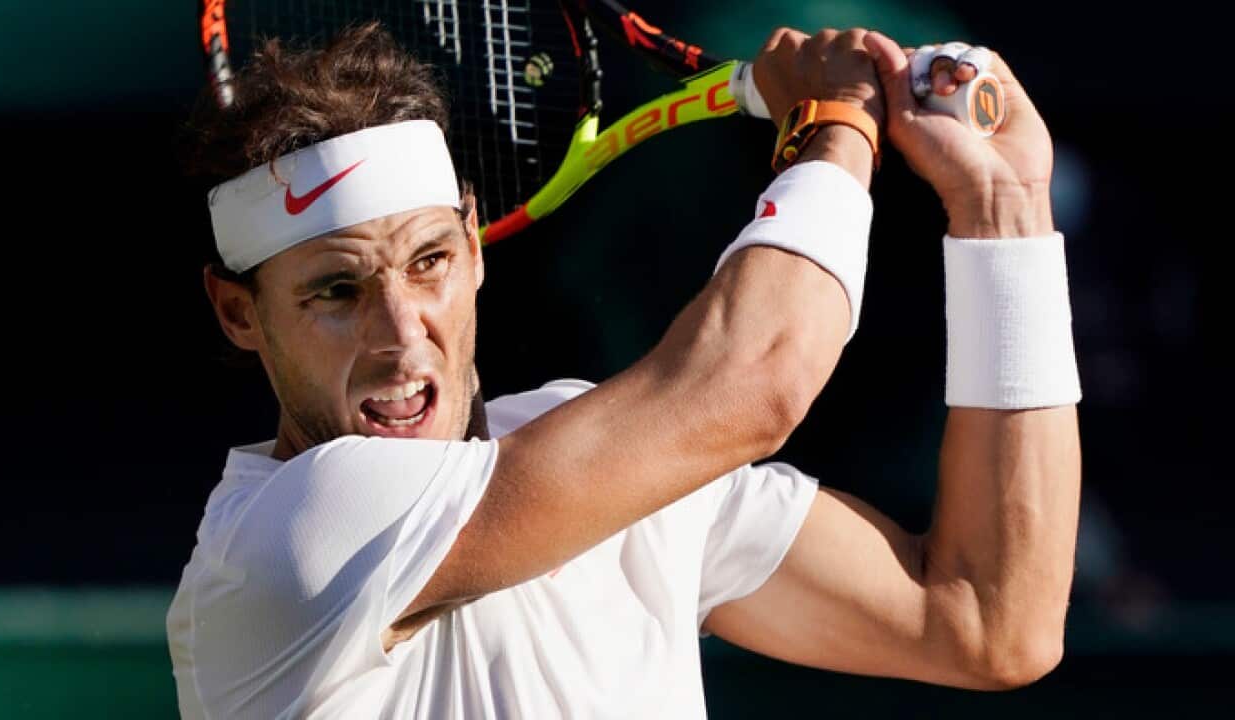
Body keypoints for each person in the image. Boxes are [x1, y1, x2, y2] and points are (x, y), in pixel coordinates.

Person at [167, 21, 1082, 719]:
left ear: (478, 247)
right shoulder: (287, 541)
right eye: (336, 290)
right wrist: (835, 127)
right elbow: (753, 383)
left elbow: (989, 622)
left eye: (430, 261)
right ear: (237, 311)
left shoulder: (607, 456)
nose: (403, 334)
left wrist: (1003, 208)